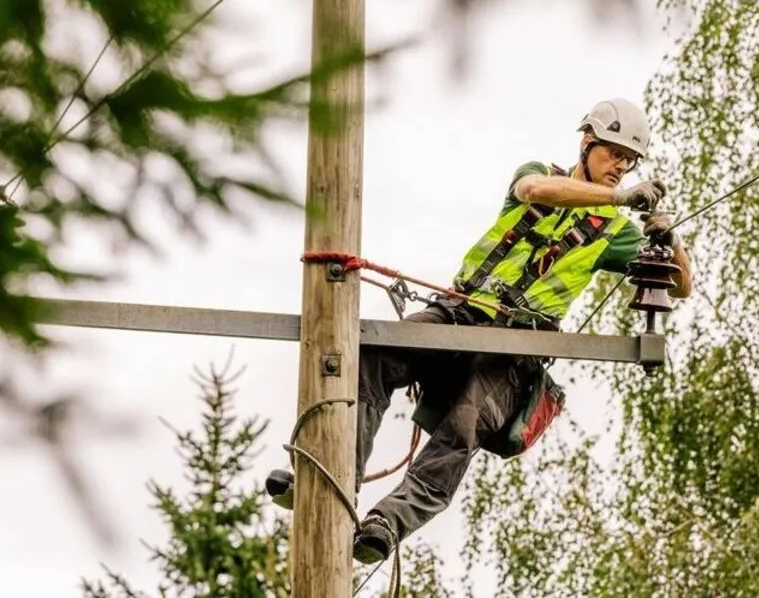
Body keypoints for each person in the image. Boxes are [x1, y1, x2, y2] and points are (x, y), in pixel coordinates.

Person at [265, 97, 693, 564]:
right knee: (374, 354)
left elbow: (681, 285)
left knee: (465, 422)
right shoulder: (539, 175)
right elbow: (534, 191)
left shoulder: (613, 231)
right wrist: (620, 198)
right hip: (461, 312)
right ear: (587, 142)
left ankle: (387, 522)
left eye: (629, 161)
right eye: (614, 153)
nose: (621, 167)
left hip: (515, 349)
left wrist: (668, 237)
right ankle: (331, 477)